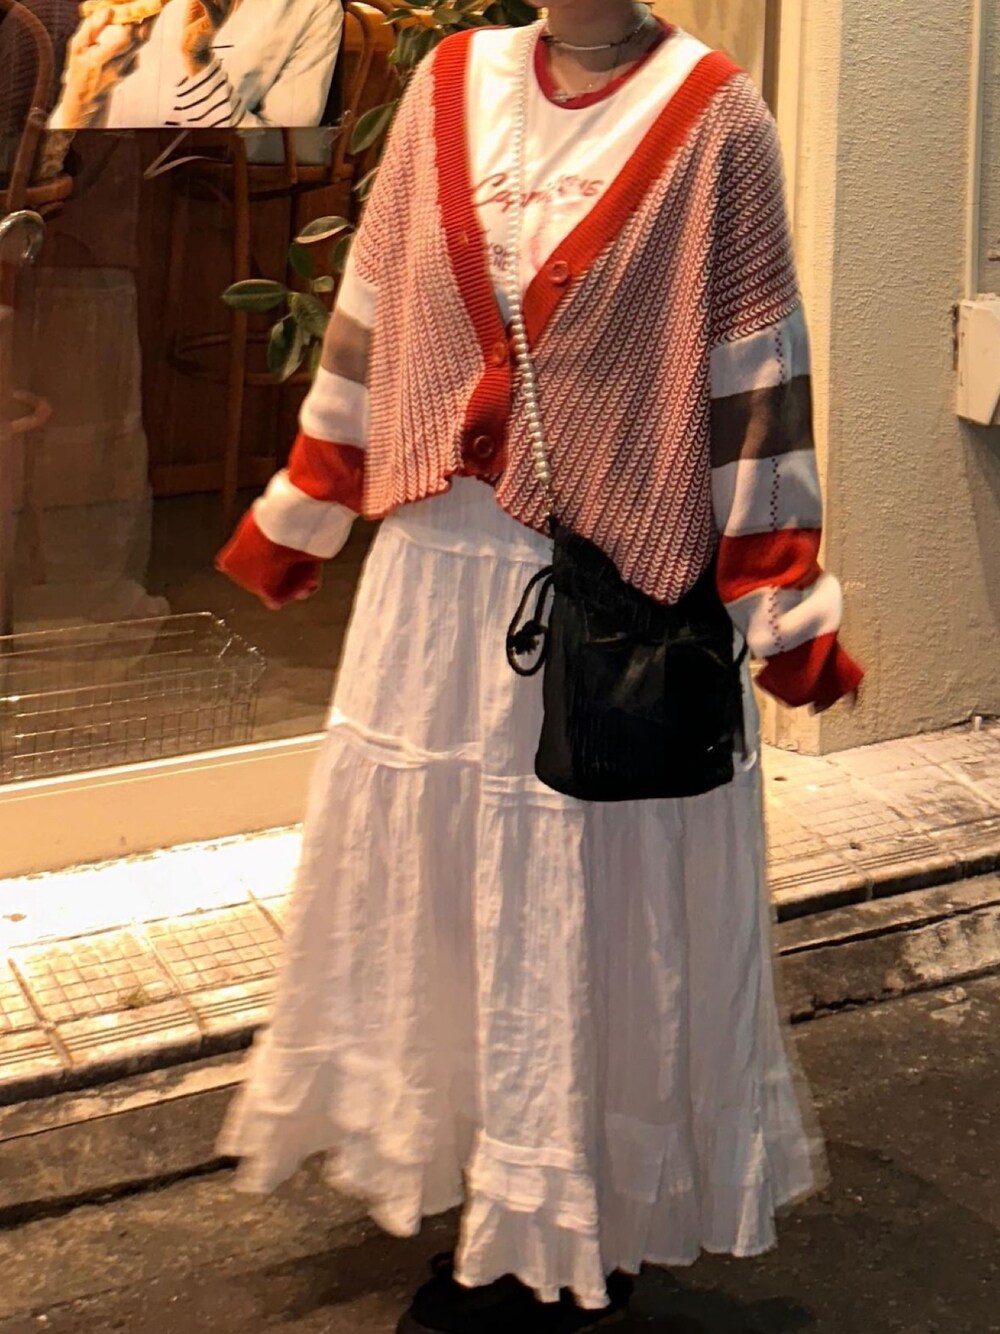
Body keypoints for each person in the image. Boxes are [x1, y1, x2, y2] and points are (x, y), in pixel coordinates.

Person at [215, 3, 864, 1332]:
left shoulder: (716, 116)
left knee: (587, 907)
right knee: (447, 900)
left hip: (616, 599)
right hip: (439, 589)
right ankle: (489, 1200)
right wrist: (307, 502)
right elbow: (373, 311)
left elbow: (756, 373)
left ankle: (576, 1223)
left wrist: (784, 608)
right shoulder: (449, 81)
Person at [49, 0, 342, 130]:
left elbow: (284, 150)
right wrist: (80, 101)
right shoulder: (124, 12)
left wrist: (201, 65)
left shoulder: (312, 8)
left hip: (212, 206)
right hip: (101, 191)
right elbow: (59, 155)